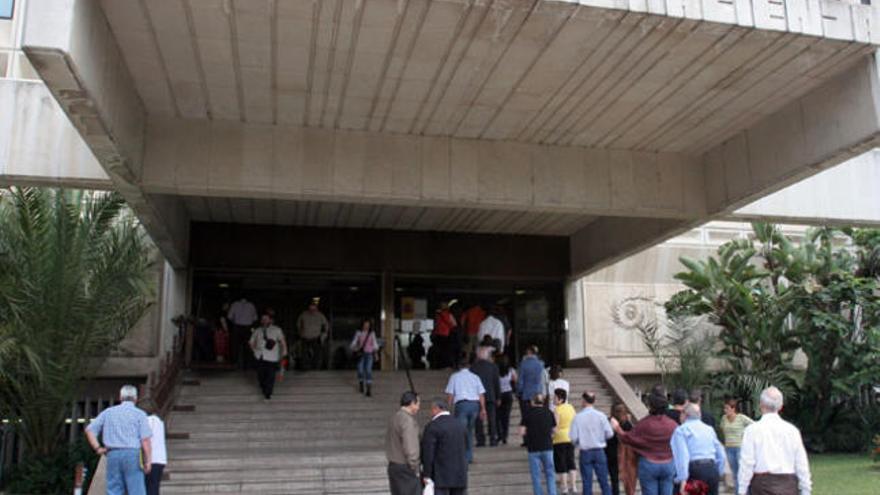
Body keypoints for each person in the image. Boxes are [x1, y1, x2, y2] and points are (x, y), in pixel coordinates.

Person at [737, 386, 811, 495]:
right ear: (780, 407)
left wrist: (742, 490)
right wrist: (806, 489)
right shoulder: (792, 431)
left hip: (762, 485)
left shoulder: (752, 431)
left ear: (761, 405)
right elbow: (801, 463)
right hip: (788, 485)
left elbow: (747, 463)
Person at [85, 385, 152, 495]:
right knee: (136, 489)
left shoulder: (108, 412)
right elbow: (145, 440)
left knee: (114, 489)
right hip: (133, 454)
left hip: (112, 454)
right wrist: (148, 461)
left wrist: (98, 448)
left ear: (120, 397)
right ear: (136, 398)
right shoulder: (140, 414)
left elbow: (90, 430)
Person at [612, 394, 678, 495]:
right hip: (668, 463)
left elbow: (628, 438)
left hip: (649, 463)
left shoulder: (644, 424)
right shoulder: (673, 425)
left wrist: (617, 428)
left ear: (650, 406)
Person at [670, 403, 726, 495]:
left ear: (684, 415)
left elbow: (682, 455)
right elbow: (721, 454)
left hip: (694, 470)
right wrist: (718, 471)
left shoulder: (681, 430)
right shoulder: (709, 429)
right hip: (711, 469)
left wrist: (683, 479)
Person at [445, 353, 488, 464]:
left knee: (460, 431)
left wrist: (448, 409)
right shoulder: (475, 377)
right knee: (469, 431)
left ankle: (460, 456)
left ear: (459, 366)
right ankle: (469, 456)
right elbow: (481, 395)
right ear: (468, 366)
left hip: (461, 405)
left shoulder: (454, 377)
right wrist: (483, 409)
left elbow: (450, 394)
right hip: (474, 405)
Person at [569, 391, 613, 495]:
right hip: (599, 451)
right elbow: (610, 433)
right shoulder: (601, 415)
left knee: (587, 482)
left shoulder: (578, 417)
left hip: (585, 451)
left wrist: (578, 444)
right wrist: (601, 439)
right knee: (604, 482)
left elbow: (573, 437)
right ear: (594, 401)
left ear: (583, 401)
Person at [422, 398, 469, 495]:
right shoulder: (460, 424)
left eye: (431, 409)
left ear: (436, 409)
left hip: (440, 476)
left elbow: (428, 453)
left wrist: (427, 474)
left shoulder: (432, 426)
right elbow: (466, 447)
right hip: (460, 475)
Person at [386, 391, 422, 495]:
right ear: (411, 403)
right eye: (418, 404)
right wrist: (415, 466)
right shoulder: (407, 420)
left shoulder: (394, 417)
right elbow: (411, 446)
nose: (418, 408)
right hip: (405, 467)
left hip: (393, 465)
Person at [521, 394, 558, 495]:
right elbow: (555, 430)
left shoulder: (527, 413)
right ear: (543, 402)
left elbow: (522, 431)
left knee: (536, 475)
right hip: (547, 447)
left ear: (533, 402)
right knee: (550, 474)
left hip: (533, 448)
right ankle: (552, 493)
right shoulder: (549, 412)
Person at [249, 313, 288, 400]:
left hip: (272, 356)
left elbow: (282, 341)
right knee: (261, 376)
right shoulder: (257, 330)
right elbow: (251, 342)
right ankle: (264, 389)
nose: (264, 320)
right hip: (260, 356)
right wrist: (254, 351)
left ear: (270, 320)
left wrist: (285, 351)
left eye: (266, 319)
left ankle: (268, 393)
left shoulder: (277, 329)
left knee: (270, 375)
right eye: (263, 319)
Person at [720, 398, 753, 494]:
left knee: (742, 472)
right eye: (724, 409)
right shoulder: (724, 418)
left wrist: (745, 436)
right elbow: (722, 428)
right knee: (734, 473)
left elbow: (753, 425)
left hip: (739, 448)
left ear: (733, 409)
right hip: (729, 448)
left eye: (727, 408)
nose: (725, 411)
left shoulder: (741, 418)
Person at [470, 346, 501, 447]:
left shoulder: (473, 367)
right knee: (492, 419)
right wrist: (498, 396)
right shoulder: (493, 367)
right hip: (491, 396)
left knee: (478, 420)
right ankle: (493, 439)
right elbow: (497, 383)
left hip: (477, 396)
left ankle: (480, 440)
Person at [137, 399, 166, 495]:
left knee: (147, 488)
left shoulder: (146, 421)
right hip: (161, 459)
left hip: (150, 459)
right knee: (154, 487)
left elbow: (144, 439)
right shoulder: (159, 421)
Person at [606, 403, 637, 495]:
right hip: (625, 455)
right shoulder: (627, 424)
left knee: (614, 479)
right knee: (628, 479)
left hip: (611, 453)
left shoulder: (609, 421)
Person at [552, 389, 578, 495]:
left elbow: (556, 426)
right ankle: (574, 486)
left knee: (561, 463)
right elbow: (575, 420)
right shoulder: (570, 407)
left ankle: (565, 488)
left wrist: (551, 434)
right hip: (570, 437)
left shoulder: (557, 410)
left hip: (559, 439)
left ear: (560, 399)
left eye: (555, 397)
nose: (553, 399)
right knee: (571, 462)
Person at [517, 346, 547, 429]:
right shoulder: (541, 364)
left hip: (526, 394)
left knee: (526, 417)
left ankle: (528, 437)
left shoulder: (523, 364)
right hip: (538, 393)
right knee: (537, 416)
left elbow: (520, 381)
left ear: (529, 353)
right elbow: (543, 380)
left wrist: (519, 392)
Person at [297, 300, 329, 370]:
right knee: (304, 353)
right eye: (311, 308)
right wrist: (300, 333)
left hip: (316, 337)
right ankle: (305, 367)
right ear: (308, 307)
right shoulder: (303, 314)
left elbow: (326, 326)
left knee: (317, 354)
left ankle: (316, 367)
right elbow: (298, 324)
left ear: (316, 308)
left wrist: (323, 336)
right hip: (305, 337)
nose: (312, 309)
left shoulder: (320, 315)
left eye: (314, 308)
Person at [350, 318, 378, 397]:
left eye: (368, 325)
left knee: (368, 370)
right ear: (362, 325)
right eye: (365, 325)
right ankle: (361, 383)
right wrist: (356, 348)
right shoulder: (358, 333)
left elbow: (374, 343)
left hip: (369, 354)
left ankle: (368, 389)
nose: (366, 327)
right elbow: (353, 343)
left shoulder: (372, 333)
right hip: (361, 354)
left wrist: (375, 353)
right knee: (360, 370)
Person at [227, 296, 257, 368]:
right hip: (247, 327)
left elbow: (229, 316)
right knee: (247, 346)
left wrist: (234, 321)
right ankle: (246, 364)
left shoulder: (235, 304)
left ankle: (235, 363)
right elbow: (255, 318)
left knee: (235, 345)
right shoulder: (251, 305)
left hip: (237, 326)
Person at [497, 354, 517, 445]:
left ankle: (499, 435)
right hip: (508, 394)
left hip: (499, 394)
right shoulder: (511, 370)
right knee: (506, 416)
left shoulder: (496, 371)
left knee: (498, 416)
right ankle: (505, 436)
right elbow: (515, 380)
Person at [433, 302, 457, 368]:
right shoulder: (449, 315)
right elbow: (454, 324)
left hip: (438, 334)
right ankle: (445, 365)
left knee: (439, 351)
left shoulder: (437, 315)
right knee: (446, 351)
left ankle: (439, 365)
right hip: (446, 334)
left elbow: (435, 324)